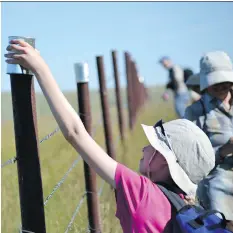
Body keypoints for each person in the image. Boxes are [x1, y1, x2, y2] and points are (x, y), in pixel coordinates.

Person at [5, 40, 216, 233]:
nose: (144, 148)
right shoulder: (189, 208)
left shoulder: (141, 193)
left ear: (164, 160)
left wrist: (40, 68)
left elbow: (75, 133)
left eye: (154, 145)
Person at [184, 51, 233, 220]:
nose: (221, 87)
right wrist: (224, 150)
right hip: (219, 178)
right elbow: (191, 161)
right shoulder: (195, 113)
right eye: (215, 83)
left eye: (225, 82)